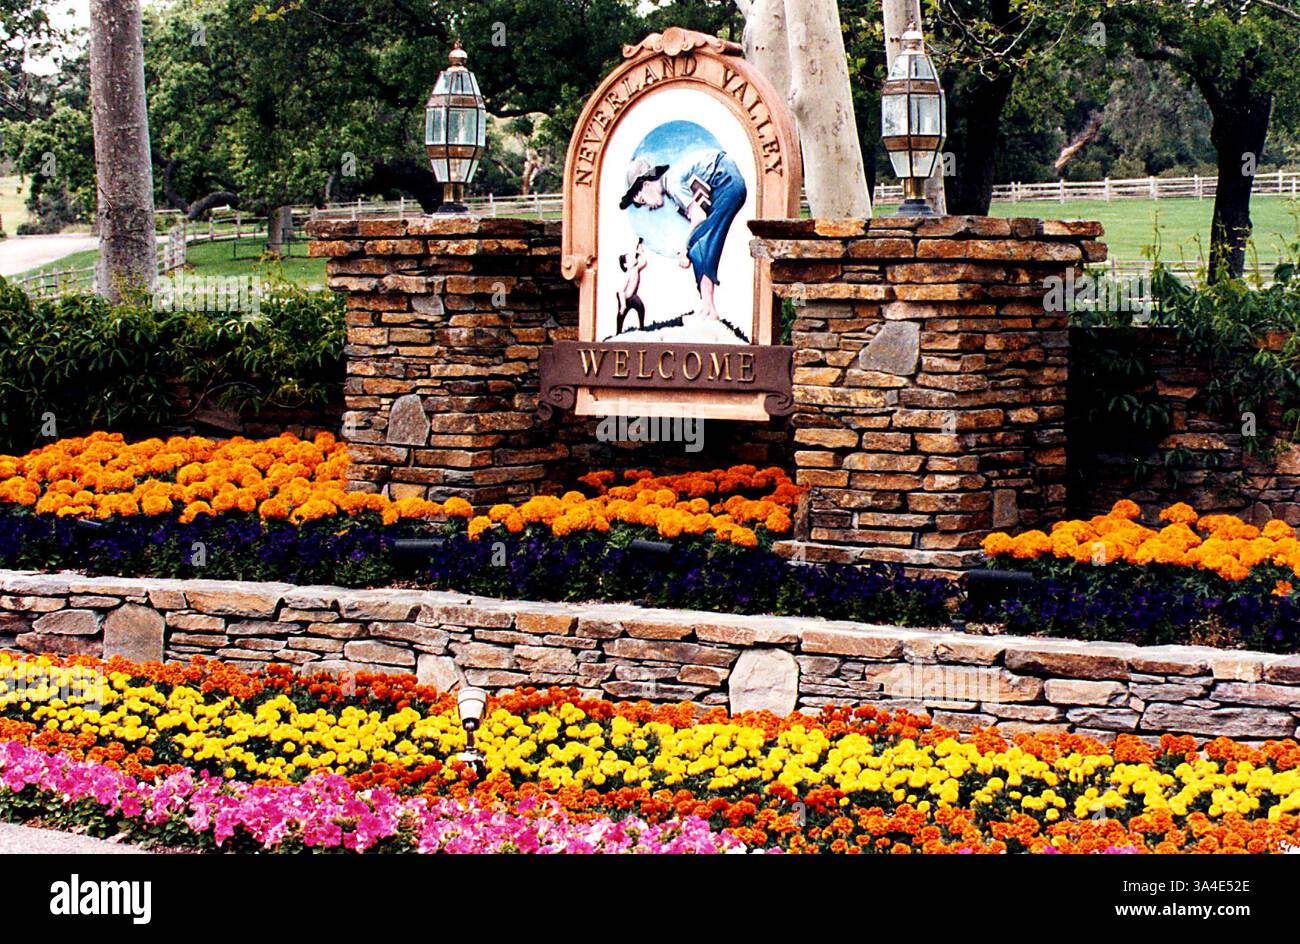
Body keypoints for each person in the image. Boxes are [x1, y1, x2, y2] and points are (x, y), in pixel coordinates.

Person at [620, 148, 748, 322]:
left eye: (643, 201)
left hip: (727, 182)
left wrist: (683, 248)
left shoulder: (672, 183)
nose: (649, 207)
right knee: (699, 244)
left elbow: (699, 217)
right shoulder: (672, 183)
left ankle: (708, 309)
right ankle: (707, 307)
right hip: (727, 183)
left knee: (698, 245)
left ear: (646, 185)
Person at [614, 238, 647, 335]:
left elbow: (644, 262)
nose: (633, 257)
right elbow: (621, 291)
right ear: (626, 265)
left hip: (633, 296)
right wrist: (623, 304)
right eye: (630, 258)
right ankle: (618, 332)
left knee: (641, 308)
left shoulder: (636, 269)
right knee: (621, 314)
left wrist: (640, 252)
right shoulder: (627, 274)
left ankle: (641, 327)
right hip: (624, 297)